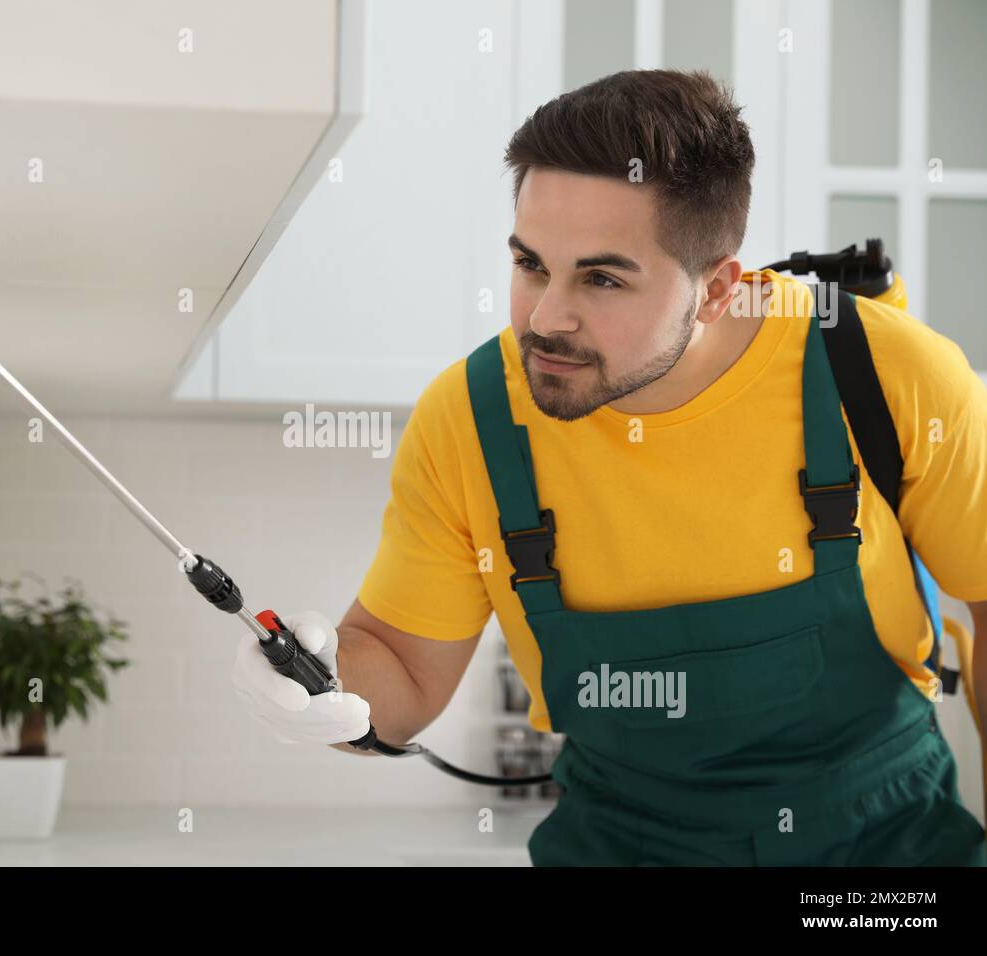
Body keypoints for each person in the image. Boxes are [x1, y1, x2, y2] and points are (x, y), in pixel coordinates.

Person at [232, 69, 987, 866]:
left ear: (718, 288)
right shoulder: (471, 421)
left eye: (601, 278)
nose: (545, 319)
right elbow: (405, 679)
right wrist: (315, 689)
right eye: (530, 265)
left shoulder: (885, 373)